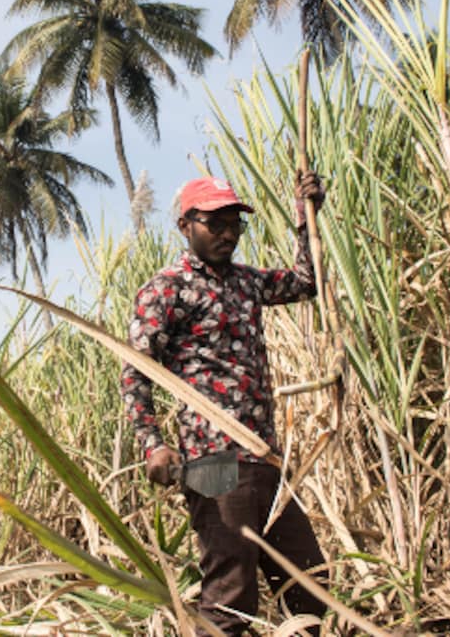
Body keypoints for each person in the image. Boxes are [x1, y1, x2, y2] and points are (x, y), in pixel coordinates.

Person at [121, 172, 328, 635]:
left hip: (265, 457)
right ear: (185, 225)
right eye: (215, 223)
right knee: (231, 596)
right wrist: (152, 444)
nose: (228, 233)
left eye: (235, 223)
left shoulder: (246, 283)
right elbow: (135, 371)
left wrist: (305, 217)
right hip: (211, 461)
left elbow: (304, 283)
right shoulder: (166, 289)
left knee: (308, 581)